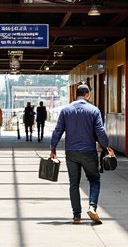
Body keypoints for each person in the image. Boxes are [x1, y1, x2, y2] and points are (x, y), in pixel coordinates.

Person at [49, 84, 114, 224]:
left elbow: (58, 130)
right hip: (89, 151)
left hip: (71, 152)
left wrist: (53, 147)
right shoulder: (94, 110)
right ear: (87, 94)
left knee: (74, 183)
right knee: (94, 180)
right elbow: (100, 131)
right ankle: (92, 207)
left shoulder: (66, 110)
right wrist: (106, 145)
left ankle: (76, 215)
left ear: (75, 94)